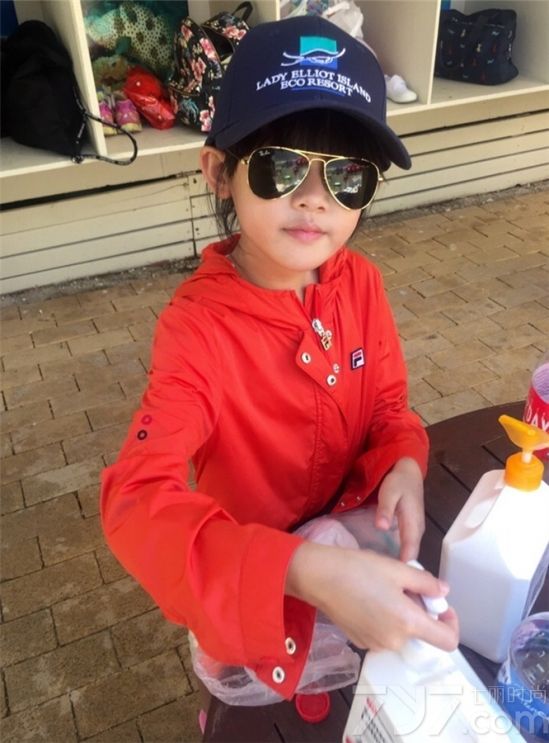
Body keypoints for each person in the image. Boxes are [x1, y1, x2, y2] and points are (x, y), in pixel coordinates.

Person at [100, 14, 459, 709]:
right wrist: (300, 569)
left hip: (350, 544)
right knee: (266, 704)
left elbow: (388, 406)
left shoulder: (361, 284)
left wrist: (404, 463)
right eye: (280, 165)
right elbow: (137, 501)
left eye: (346, 175)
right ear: (220, 172)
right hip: (255, 588)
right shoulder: (197, 330)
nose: (314, 197)